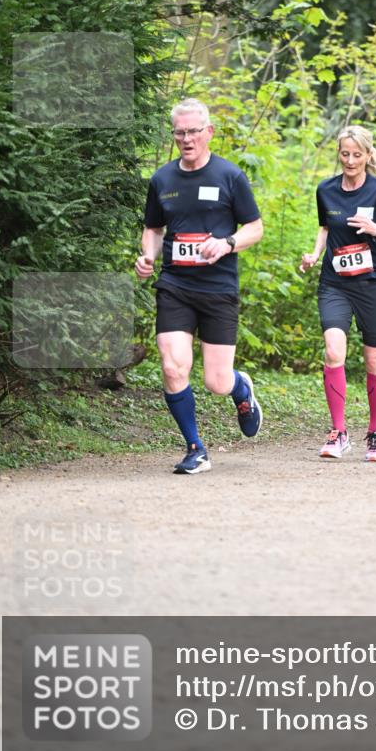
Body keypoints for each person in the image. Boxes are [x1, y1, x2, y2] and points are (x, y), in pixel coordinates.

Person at [135, 98, 263, 474]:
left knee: (216, 382)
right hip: (175, 284)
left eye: (193, 131)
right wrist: (148, 257)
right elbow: (154, 229)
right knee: (174, 366)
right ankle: (196, 448)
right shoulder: (162, 179)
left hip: (218, 288)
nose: (186, 139)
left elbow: (255, 228)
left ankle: (241, 388)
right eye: (179, 132)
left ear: (208, 132)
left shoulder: (229, 176)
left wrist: (227, 244)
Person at [300, 125, 376, 462]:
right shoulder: (326, 190)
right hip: (335, 283)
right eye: (345, 154)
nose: (350, 160)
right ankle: (338, 431)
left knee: (373, 360)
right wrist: (315, 254)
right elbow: (324, 227)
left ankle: (375, 432)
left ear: (368, 155)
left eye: (357, 155)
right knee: (334, 350)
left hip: (373, 285)